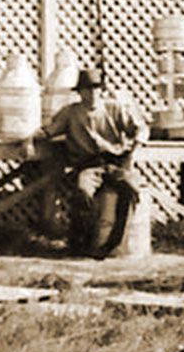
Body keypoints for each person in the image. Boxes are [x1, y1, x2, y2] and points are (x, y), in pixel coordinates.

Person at [40, 68, 150, 258]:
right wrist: (28, 140)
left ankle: (113, 244)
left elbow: (140, 128)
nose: (92, 94)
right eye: (87, 90)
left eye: (96, 89)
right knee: (83, 190)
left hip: (116, 163)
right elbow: (48, 131)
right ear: (79, 93)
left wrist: (136, 146)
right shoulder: (70, 113)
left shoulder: (114, 109)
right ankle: (84, 243)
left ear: (102, 91)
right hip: (89, 165)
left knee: (131, 188)